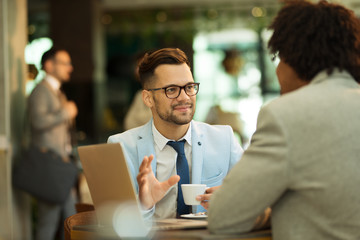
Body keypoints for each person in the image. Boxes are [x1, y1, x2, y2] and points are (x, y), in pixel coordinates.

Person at [206, 1, 360, 239]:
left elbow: (223, 217)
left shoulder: (285, 115)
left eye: (278, 58)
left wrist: (268, 210)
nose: (277, 71)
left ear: (293, 57)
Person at [108, 48, 243, 219]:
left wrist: (232, 202)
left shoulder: (224, 139)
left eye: (189, 87)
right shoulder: (120, 148)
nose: (184, 97)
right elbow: (112, 226)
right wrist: (143, 206)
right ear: (148, 98)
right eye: (171, 90)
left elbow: (255, 196)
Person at [28, 47, 78, 240]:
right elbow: (38, 121)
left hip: (60, 165)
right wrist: (66, 112)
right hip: (50, 165)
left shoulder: (56, 92)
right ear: (49, 65)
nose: (70, 68)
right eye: (65, 63)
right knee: (50, 221)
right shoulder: (41, 91)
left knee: (71, 219)